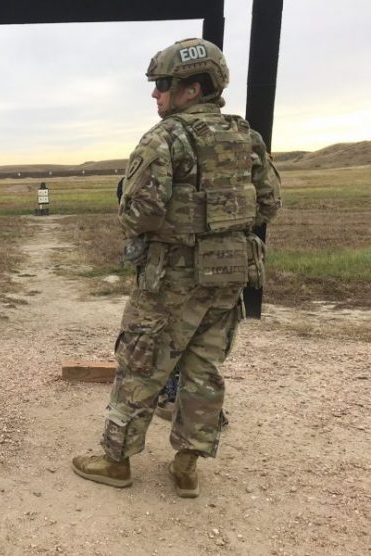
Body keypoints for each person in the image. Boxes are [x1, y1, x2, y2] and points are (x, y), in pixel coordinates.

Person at [72, 38, 281, 498]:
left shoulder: (164, 138)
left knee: (141, 364)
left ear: (192, 88)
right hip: (228, 275)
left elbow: (140, 213)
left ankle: (116, 460)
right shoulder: (247, 137)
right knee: (204, 367)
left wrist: (130, 204)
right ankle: (187, 465)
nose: (156, 94)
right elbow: (269, 203)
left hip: (170, 279)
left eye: (163, 85)